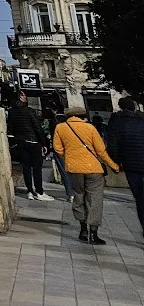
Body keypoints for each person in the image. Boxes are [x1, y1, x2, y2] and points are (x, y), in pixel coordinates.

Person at [52, 103, 122, 244]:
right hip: (93, 169)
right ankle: (94, 233)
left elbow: (58, 149)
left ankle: (83, 229)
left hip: (74, 169)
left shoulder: (60, 128)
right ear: (83, 116)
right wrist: (114, 166)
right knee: (95, 199)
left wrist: (70, 158)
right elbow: (101, 151)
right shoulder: (90, 128)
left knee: (79, 196)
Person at [5, 90, 53, 201]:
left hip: (21, 142)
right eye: (23, 95)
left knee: (26, 167)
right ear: (19, 97)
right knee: (37, 168)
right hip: (33, 142)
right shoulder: (29, 111)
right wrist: (44, 143)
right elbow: (37, 128)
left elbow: (11, 128)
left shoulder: (11, 112)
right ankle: (39, 191)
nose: (25, 96)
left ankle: (30, 191)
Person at [107, 97, 144, 231]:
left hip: (131, 166)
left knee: (140, 199)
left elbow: (112, 147)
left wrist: (117, 162)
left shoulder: (116, 124)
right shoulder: (141, 121)